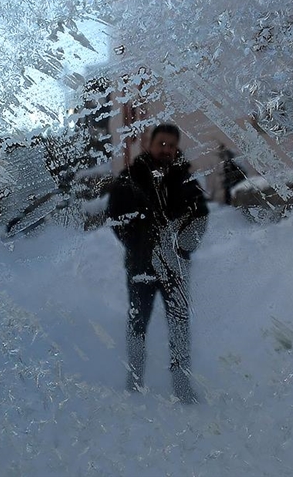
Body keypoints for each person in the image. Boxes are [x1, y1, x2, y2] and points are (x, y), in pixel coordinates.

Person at [106, 123, 209, 404]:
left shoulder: (185, 179)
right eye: (161, 143)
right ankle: (135, 379)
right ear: (149, 144)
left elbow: (200, 217)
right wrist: (140, 243)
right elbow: (116, 219)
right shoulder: (130, 179)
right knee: (138, 322)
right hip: (141, 266)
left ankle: (182, 385)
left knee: (179, 323)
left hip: (174, 267)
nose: (167, 149)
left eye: (171, 145)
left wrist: (180, 246)